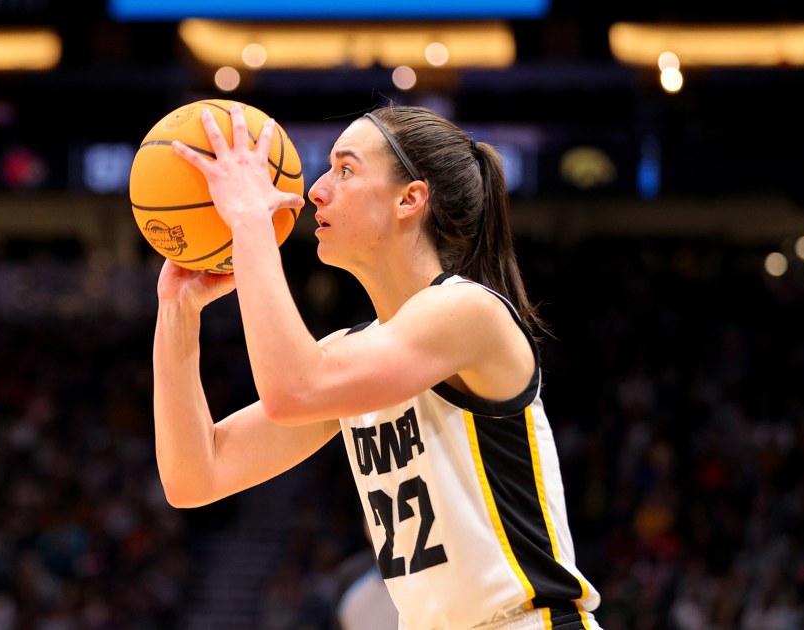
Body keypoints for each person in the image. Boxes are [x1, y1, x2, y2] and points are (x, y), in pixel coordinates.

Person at [154, 103, 602, 629]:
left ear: (410, 199)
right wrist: (176, 315)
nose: (316, 190)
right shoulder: (352, 353)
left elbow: (293, 389)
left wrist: (250, 220)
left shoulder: (469, 312)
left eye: (345, 169)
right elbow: (195, 476)